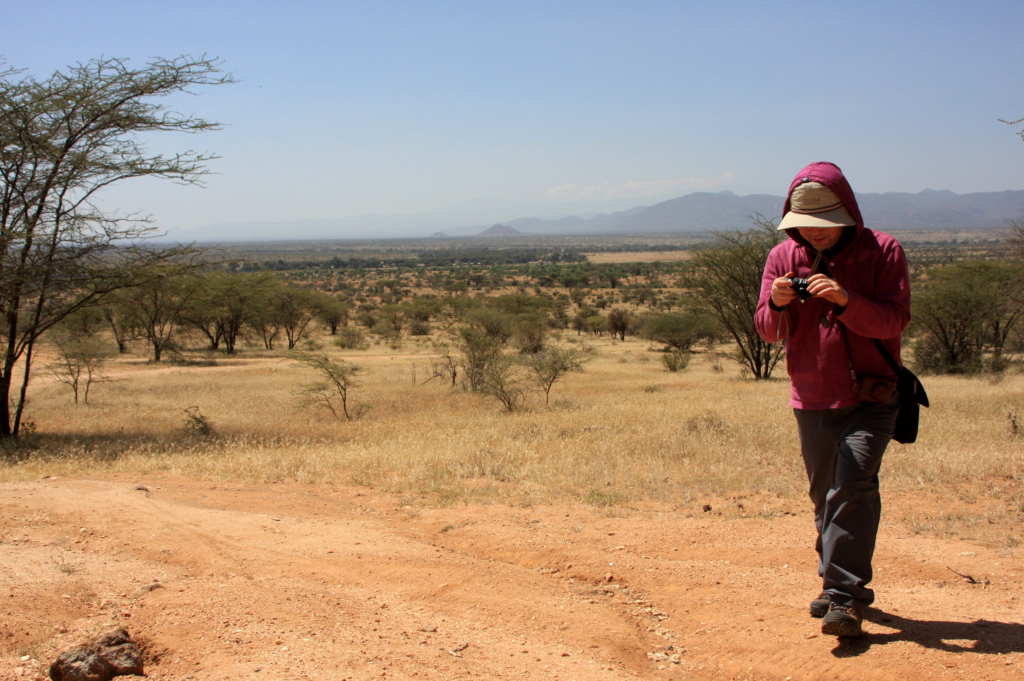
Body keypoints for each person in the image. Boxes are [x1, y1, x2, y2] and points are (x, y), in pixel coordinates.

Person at [754, 162, 911, 637]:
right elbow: (766, 331)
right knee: (826, 495)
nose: (813, 234)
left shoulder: (884, 251)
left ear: (848, 214)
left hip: (872, 394)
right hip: (812, 397)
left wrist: (845, 300)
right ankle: (834, 584)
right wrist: (777, 304)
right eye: (804, 224)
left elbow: (893, 322)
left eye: (824, 224)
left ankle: (845, 597)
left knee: (852, 485)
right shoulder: (783, 257)